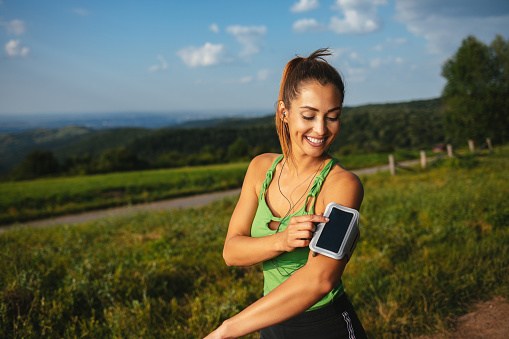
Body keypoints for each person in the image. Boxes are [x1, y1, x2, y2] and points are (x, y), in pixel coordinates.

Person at [205, 48, 367, 339]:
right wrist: (282, 240)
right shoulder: (260, 168)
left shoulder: (343, 185)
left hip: (324, 326)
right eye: (309, 115)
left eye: (333, 117)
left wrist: (226, 330)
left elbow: (321, 279)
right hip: (269, 323)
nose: (321, 129)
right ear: (284, 112)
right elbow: (231, 251)